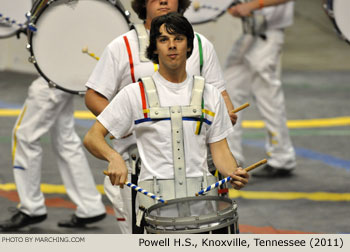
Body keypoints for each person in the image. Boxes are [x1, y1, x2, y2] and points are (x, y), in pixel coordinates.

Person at [83, 12, 249, 231]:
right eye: (164, 40)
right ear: (154, 49)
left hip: (204, 211)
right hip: (156, 213)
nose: (172, 46)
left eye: (178, 39)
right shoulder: (134, 94)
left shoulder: (210, 95)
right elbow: (92, 137)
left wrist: (233, 172)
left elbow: (220, 153)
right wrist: (114, 157)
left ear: (188, 46)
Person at [0, 77, 106, 231]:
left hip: (51, 80)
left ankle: (31, 207)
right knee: (65, 139)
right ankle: (90, 205)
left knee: (24, 136)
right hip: (65, 77)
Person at [224, 0, 297, 177]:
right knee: (229, 91)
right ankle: (231, 160)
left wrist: (254, 5)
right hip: (246, 31)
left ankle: (282, 157)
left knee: (268, 97)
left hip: (267, 32)